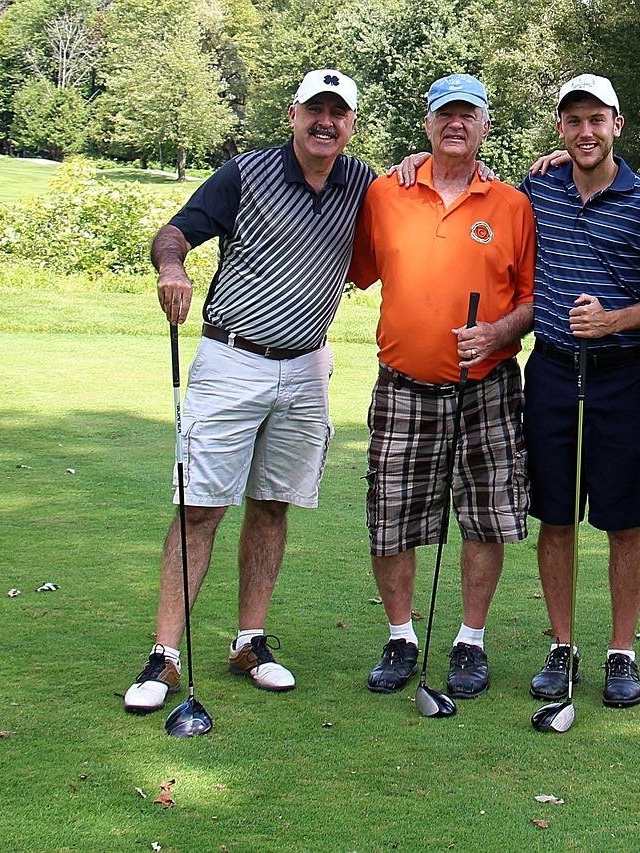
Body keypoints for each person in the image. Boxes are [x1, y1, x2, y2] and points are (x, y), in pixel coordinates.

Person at [123, 70, 375, 714]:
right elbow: (175, 231)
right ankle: (164, 656)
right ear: (293, 114)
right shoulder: (245, 173)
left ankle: (250, 642)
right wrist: (173, 267)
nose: (326, 122)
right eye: (314, 110)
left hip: (307, 367)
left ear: (350, 123)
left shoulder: (363, 183)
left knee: (272, 506)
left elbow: (433, 182)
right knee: (201, 506)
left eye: (337, 113)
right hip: (232, 358)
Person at [348, 74, 536, 699]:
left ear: (485, 125)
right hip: (405, 384)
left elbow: (535, 300)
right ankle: (401, 636)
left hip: (486, 384)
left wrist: (497, 331)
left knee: (485, 516)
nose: (456, 125)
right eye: (444, 116)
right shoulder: (386, 193)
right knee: (392, 514)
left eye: (468, 115)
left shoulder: (512, 204)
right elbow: (356, 271)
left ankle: (469, 641)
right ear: (427, 125)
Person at [520, 74, 640, 708]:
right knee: (556, 516)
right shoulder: (537, 188)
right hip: (555, 371)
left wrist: (615, 320)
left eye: (598, 120)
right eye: (574, 121)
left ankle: (621, 651)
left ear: (618, 125)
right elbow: (476, 196)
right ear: (560, 129)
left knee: (624, 520)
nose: (586, 132)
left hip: (622, 376)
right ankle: (562, 646)